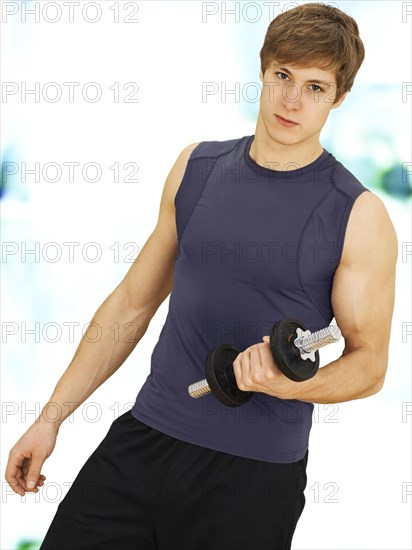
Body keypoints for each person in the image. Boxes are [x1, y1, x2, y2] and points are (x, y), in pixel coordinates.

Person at [5, 3, 398, 549]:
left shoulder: (358, 215)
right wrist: (51, 418)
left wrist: (289, 385)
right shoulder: (196, 168)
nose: (291, 100)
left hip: (253, 478)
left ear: (339, 98)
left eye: (315, 87)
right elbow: (131, 305)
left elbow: (370, 363)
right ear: (263, 71)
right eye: (283, 76)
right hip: (146, 440)